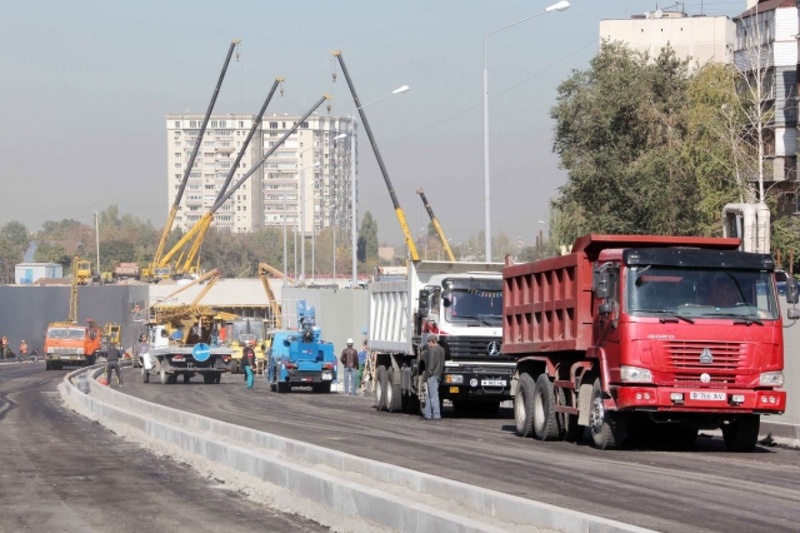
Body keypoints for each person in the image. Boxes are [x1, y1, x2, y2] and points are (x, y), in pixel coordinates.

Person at [422, 335, 445, 420]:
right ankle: (428, 414)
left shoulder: (432, 350)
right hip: (439, 374)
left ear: (431, 341)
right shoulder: (442, 350)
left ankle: (436, 414)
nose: (428, 344)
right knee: (430, 395)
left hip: (432, 375)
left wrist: (428, 375)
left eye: (429, 342)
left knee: (434, 395)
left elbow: (431, 365)